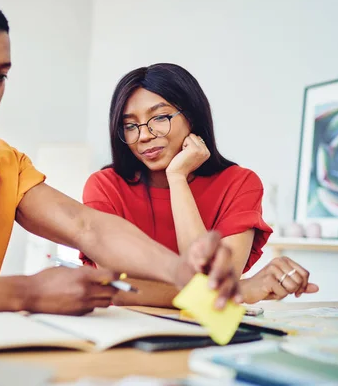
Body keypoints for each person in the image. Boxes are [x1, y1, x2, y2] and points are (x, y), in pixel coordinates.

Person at [0, 0, 241, 315]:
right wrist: (31, 292)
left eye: (1, 75)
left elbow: (86, 227)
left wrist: (180, 269)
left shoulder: (1, 162)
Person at [81, 63, 319, 307]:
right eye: (130, 125)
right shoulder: (105, 187)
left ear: (192, 116)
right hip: (124, 330)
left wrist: (177, 177)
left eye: (160, 117)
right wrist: (242, 291)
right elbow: (119, 288)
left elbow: (211, 284)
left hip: (206, 334)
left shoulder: (239, 184)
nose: (143, 135)